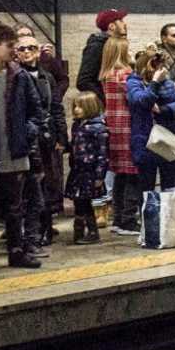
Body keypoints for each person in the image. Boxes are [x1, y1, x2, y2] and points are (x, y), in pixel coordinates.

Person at [0, 25, 44, 268]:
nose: (15, 51)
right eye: (10, 46)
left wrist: (27, 133)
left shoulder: (19, 76)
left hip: (15, 150)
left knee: (15, 206)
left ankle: (17, 250)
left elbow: (36, 111)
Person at [15, 32, 66, 248]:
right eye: (22, 48)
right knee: (26, 185)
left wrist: (61, 136)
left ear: (38, 51)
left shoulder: (47, 77)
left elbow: (56, 107)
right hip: (23, 137)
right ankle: (25, 233)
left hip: (46, 137)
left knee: (46, 183)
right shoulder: (15, 76)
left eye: (31, 48)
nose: (27, 52)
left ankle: (44, 228)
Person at [127, 47, 175, 198]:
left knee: (170, 187)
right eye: (157, 65)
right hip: (145, 140)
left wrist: (162, 110)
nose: (161, 69)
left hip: (166, 138)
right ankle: (149, 218)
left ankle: (169, 219)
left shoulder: (167, 82)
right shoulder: (134, 82)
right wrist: (154, 83)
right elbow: (142, 101)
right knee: (146, 188)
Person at [99, 36, 141, 235]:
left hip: (112, 127)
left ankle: (117, 219)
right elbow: (139, 96)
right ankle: (128, 219)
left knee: (119, 174)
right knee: (132, 173)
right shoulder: (125, 75)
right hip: (127, 127)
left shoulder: (106, 75)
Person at [66, 92, 107, 245]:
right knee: (78, 201)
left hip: (89, 172)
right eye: (75, 106)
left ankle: (92, 231)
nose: (76, 110)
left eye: (80, 107)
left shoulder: (98, 128)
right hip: (77, 170)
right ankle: (79, 230)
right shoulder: (77, 125)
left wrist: (99, 176)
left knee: (85, 201)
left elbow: (102, 154)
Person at [77, 8, 127, 100]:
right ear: (112, 26)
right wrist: (106, 99)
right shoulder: (96, 47)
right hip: (106, 109)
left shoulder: (115, 45)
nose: (125, 24)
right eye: (120, 20)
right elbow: (83, 81)